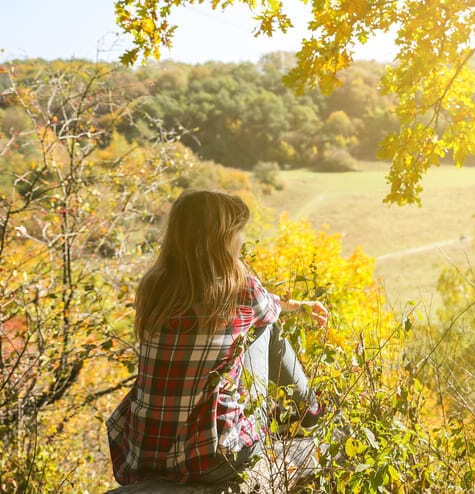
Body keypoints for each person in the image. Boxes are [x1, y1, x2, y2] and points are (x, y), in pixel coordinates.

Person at [106, 189, 328, 489]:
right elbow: (269, 311)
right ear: (220, 239)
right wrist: (299, 309)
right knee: (266, 328)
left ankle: (299, 410)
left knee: (254, 329)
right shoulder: (241, 288)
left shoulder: (153, 286)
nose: (242, 240)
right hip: (213, 460)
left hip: (146, 452)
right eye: (238, 233)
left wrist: (294, 306)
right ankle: (309, 409)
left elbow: (265, 303)